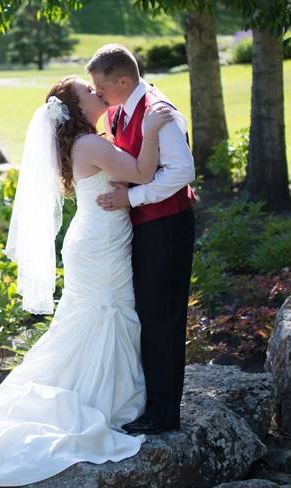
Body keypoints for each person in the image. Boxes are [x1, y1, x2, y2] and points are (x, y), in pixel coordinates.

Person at [0, 74, 175, 487]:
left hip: (96, 238)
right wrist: (150, 130)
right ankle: (107, 399)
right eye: (87, 93)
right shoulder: (90, 145)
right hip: (99, 244)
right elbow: (144, 174)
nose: (97, 94)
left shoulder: (86, 141)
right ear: (76, 110)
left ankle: (107, 391)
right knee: (107, 313)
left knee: (94, 316)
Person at [89, 44, 196, 435]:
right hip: (143, 226)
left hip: (167, 226)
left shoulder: (159, 112)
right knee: (146, 316)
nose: (96, 93)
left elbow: (181, 171)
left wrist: (130, 196)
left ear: (122, 80)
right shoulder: (118, 109)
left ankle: (164, 415)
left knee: (163, 319)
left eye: (99, 87)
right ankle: (150, 404)